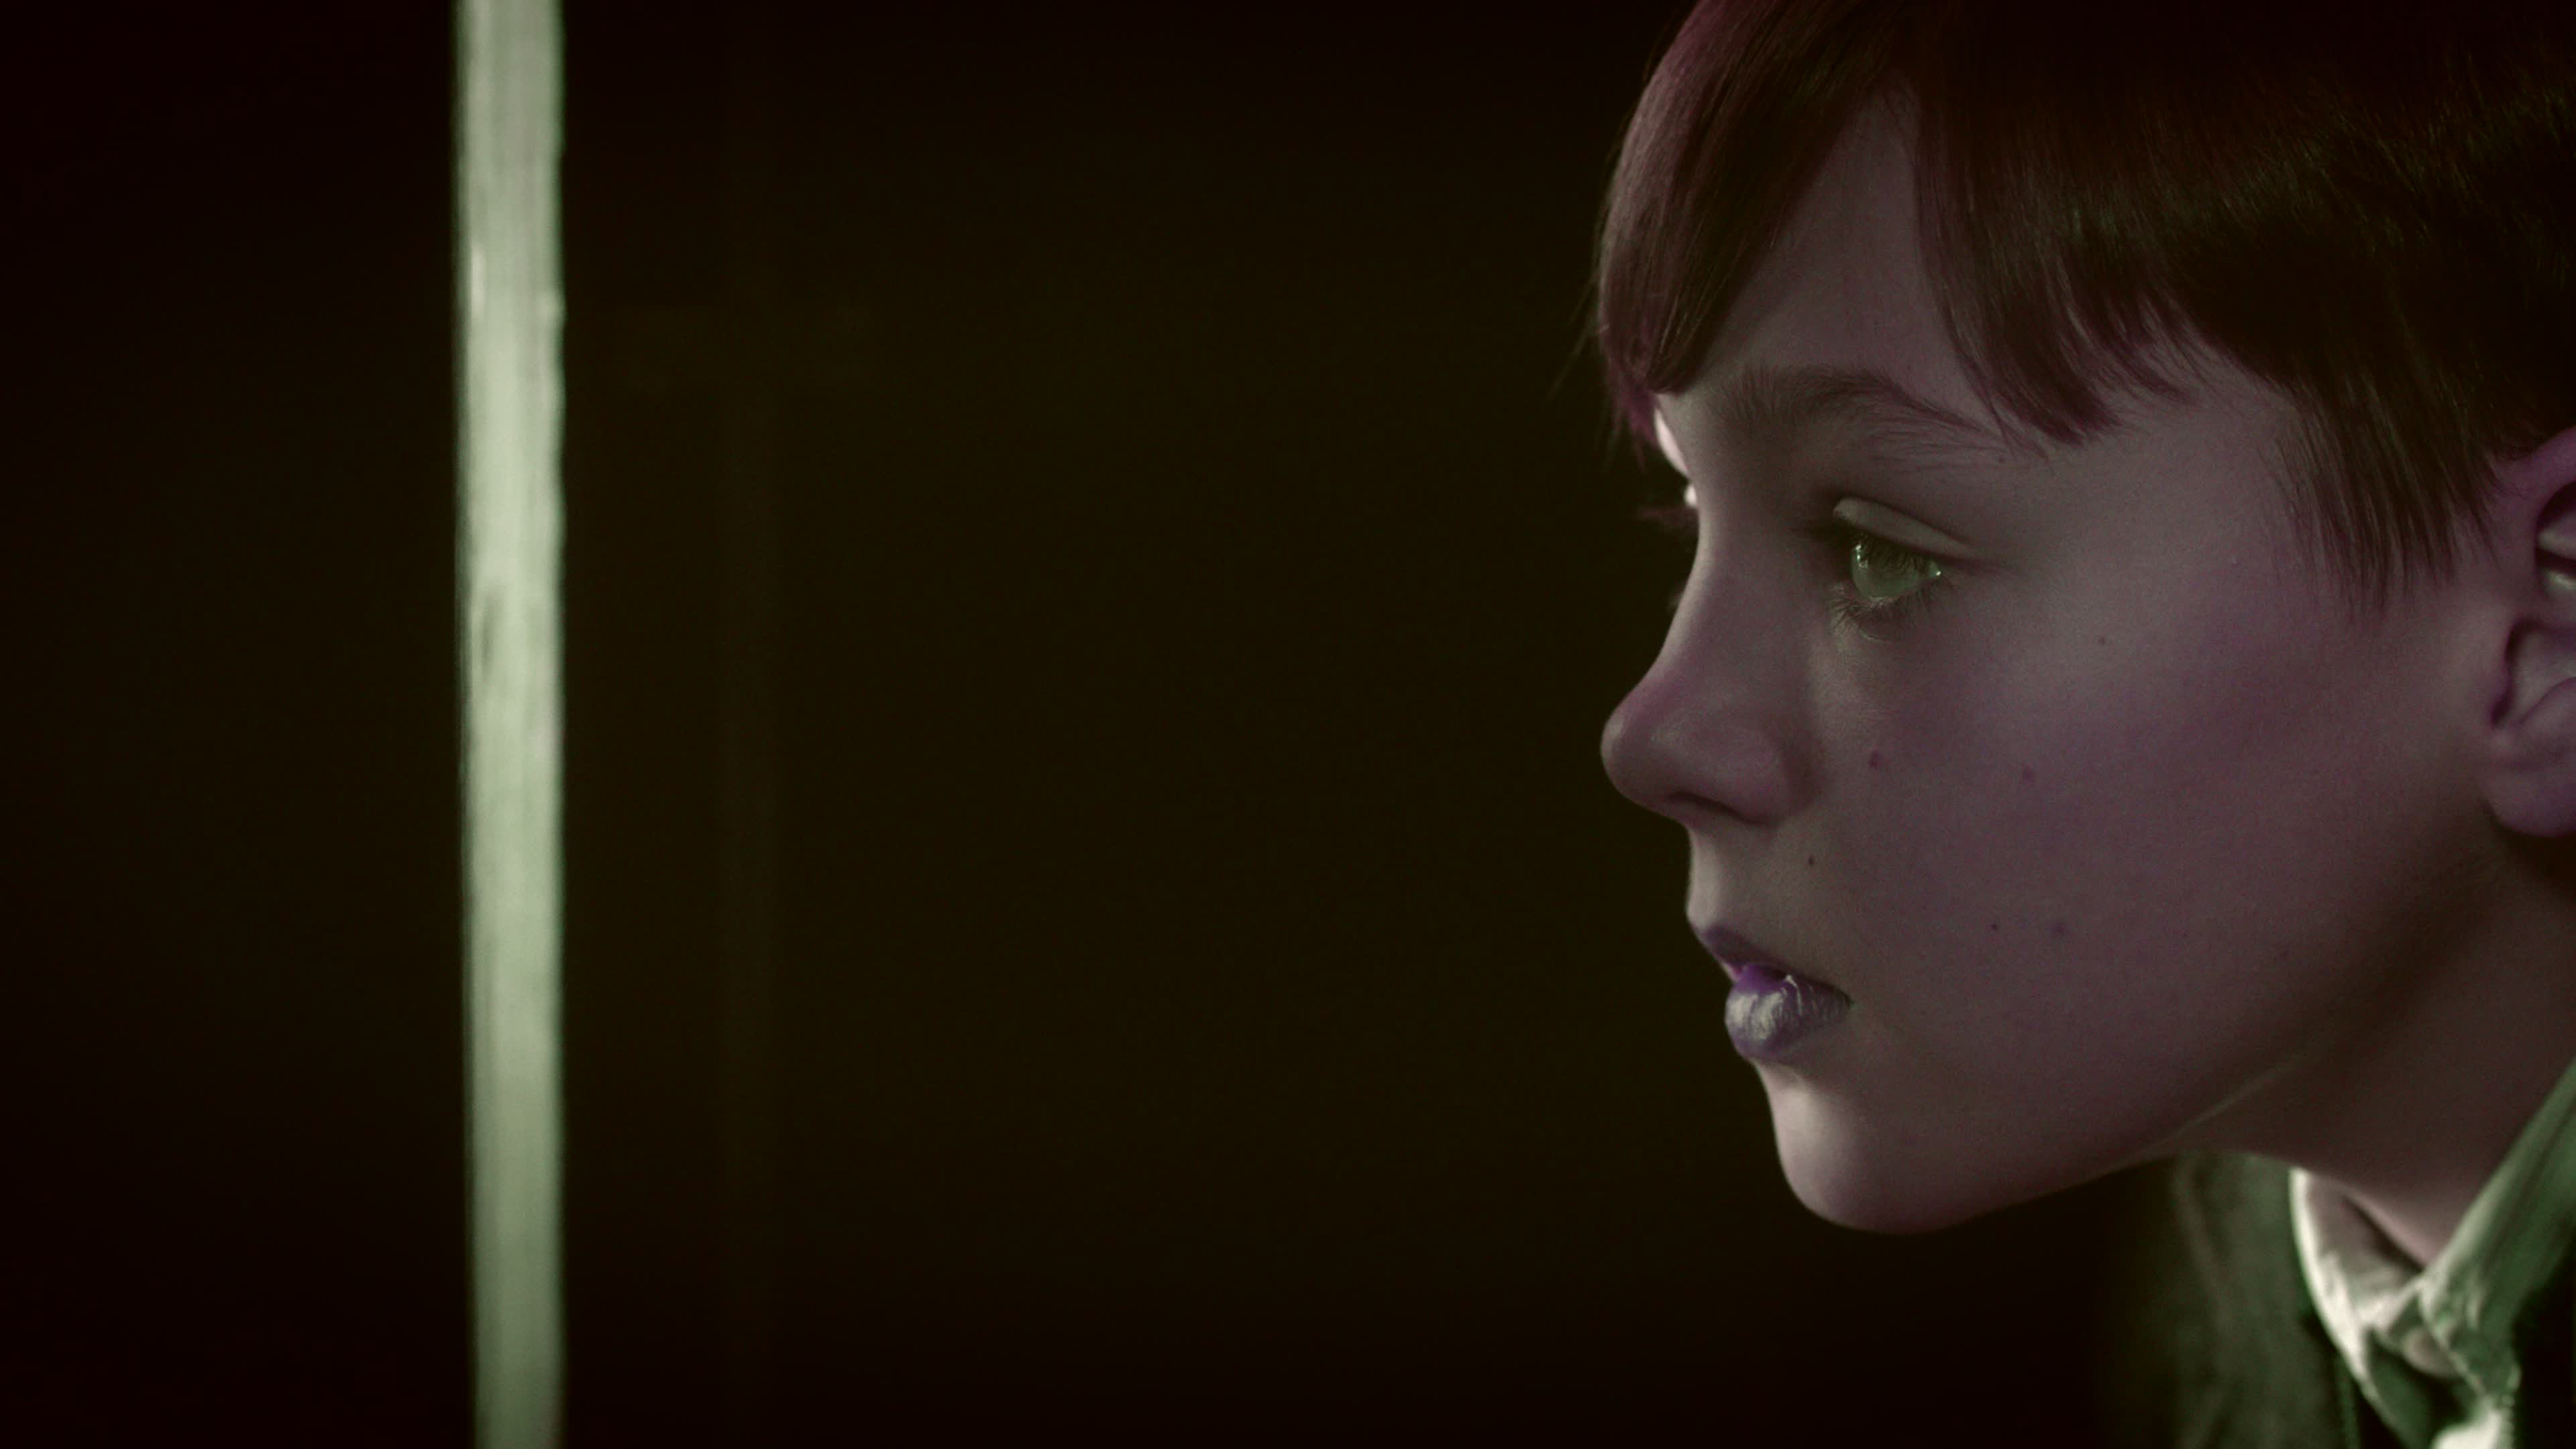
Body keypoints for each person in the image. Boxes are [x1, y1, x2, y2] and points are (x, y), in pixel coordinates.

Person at [1589, 3, 2576, 1446]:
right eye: (1690, 510)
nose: (1654, 737)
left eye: (1879, 550)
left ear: (2550, 638)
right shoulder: (2128, 1338)